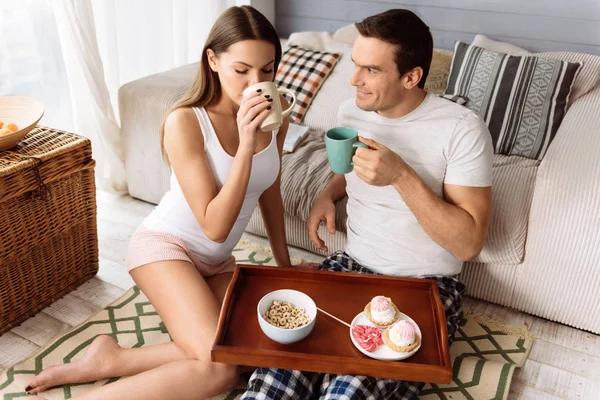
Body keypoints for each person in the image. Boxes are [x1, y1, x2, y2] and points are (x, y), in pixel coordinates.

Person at [24, 6, 296, 400]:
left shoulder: (277, 119)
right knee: (219, 373)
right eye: (242, 71)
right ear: (213, 60)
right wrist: (246, 146)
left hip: (217, 262)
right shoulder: (185, 122)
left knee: (254, 350)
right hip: (165, 249)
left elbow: (269, 187)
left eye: (267, 70)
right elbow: (214, 226)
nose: (256, 82)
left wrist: (285, 268)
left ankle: (110, 361)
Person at [241, 9, 493, 400]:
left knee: (346, 392)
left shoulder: (461, 130)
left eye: (370, 70)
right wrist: (328, 192)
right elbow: (352, 165)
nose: (354, 79)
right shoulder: (354, 110)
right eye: (355, 65)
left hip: (424, 285)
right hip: (350, 266)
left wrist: (402, 177)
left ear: (411, 77)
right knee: (276, 379)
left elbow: (469, 244)